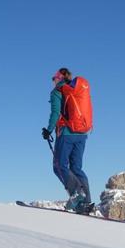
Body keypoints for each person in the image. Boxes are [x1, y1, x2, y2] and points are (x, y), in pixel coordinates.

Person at [42, 68, 94, 214]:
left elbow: (55, 113)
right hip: (82, 134)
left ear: (59, 78)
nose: (53, 81)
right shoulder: (77, 91)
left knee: (59, 165)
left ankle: (77, 192)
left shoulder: (58, 91)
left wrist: (48, 130)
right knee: (76, 168)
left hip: (66, 133)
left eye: (54, 79)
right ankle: (85, 203)